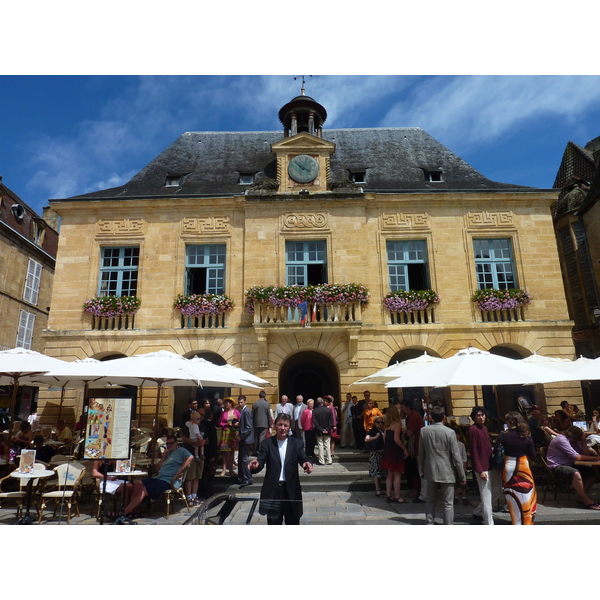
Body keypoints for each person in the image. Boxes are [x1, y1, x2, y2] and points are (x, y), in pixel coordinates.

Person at [248, 413, 313, 525]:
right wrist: (256, 464)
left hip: (291, 491)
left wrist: (307, 463)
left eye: (285, 425)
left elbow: (303, 457)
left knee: (293, 523)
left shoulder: (296, 443)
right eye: (280, 425)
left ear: (289, 427)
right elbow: (261, 460)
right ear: (274, 426)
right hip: (274, 491)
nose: (282, 428)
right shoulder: (267, 443)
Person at [122, 435, 193, 519]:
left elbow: (190, 457)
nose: (169, 445)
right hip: (159, 477)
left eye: (171, 443)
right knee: (138, 483)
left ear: (176, 443)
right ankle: (133, 510)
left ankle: (124, 512)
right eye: (167, 444)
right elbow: (157, 469)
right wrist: (163, 457)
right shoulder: (167, 453)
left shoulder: (181, 450)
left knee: (143, 490)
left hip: (169, 480)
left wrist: (181, 469)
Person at [418, 406, 466, 525]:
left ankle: (430, 522)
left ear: (431, 417)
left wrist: (422, 469)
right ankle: (448, 524)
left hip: (430, 469)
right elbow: (456, 456)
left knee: (430, 499)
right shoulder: (450, 432)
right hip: (447, 470)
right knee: (448, 502)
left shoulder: (424, 431)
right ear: (444, 417)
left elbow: (421, 453)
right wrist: (462, 475)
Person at [546, 425, 600, 509]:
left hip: (569, 464)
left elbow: (585, 455)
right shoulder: (561, 440)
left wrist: (584, 441)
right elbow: (577, 457)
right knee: (575, 473)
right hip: (556, 466)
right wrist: (597, 458)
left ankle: (581, 498)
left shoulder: (574, 441)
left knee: (592, 473)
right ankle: (586, 500)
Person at [501, 411, 538, 525]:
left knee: (512, 496)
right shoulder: (526, 435)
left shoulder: (504, 435)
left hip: (508, 466)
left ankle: (515, 521)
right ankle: (527, 522)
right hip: (523, 466)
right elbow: (533, 455)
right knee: (526, 494)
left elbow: (497, 450)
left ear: (511, 422)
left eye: (507, 420)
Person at [467, 406, 497, 525]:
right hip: (482, 467)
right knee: (486, 496)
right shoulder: (473, 430)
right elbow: (473, 451)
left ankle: (478, 511)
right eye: (478, 415)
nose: (481, 417)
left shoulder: (484, 428)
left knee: (497, 490)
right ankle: (489, 523)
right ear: (474, 417)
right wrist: (480, 470)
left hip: (490, 464)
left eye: (482, 415)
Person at [380, 404, 408, 503]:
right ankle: (397, 496)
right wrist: (404, 448)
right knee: (397, 475)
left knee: (389, 474)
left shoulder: (387, 426)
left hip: (388, 451)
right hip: (395, 451)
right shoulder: (396, 424)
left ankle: (388, 495)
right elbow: (396, 439)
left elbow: (384, 438)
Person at [400, 398, 425, 502]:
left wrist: (403, 431)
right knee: (415, 470)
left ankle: (423, 494)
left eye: (402, 407)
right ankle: (418, 491)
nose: (401, 409)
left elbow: (409, 433)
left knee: (420, 471)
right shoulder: (410, 416)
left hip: (417, 447)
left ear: (407, 407)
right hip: (414, 447)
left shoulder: (413, 416)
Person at [183, 411, 206, 506]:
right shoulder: (188, 426)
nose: (199, 420)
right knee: (190, 477)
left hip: (200, 456)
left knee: (197, 476)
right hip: (190, 454)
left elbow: (206, 439)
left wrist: (203, 442)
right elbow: (184, 438)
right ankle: (188, 497)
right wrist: (196, 443)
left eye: (200, 418)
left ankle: (194, 496)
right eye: (197, 418)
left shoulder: (202, 427)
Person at [365, 415, 387, 496]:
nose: (380, 424)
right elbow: (366, 439)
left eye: (382, 422)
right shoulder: (373, 431)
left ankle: (379, 489)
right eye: (378, 422)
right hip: (375, 454)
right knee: (376, 472)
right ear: (375, 423)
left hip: (381, 453)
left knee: (380, 472)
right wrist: (375, 437)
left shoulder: (382, 430)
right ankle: (377, 489)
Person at [218, 397, 240, 477]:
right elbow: (220, 422)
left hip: (234, 433)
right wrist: (225, 424)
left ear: (231, 404)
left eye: (227, 403)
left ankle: (231, 469)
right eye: (225, 403)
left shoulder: (236, 412)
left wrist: (237, 424)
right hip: (226, 432)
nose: (225, 405)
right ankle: (224, 469)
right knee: (225, 452)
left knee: (232, 452)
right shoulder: (223, 413)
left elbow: (240, 420)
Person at [237, 395, 254, 488]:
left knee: (244, 459)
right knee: (241, 459)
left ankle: (248, 478)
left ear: (245, 402)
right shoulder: (243, 411)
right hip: (244, 439)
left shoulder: (246, 411)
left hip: (245, 439)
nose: (240, 404)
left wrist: (241, 436)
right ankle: (241, 477)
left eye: (241, 402)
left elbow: (248, 427)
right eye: (239, 402)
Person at [312, 397, 333, 465]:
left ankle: (321, 460)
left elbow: (315, 422)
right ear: (322, 402)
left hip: (319, 431)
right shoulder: (328, 410)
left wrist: (321, 429)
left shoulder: (314, 411)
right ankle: (329, 460)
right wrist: (327, 429)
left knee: (320, 445)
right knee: (327, 445)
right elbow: (331, 421)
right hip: (327, 430)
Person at [252, 390, 272, 455]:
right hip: (264, 423)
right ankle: (260, 450)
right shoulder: (267, 404)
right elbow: (268, 415)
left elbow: (252, 414)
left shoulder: (255, 403)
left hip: (256, 423)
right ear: (265, 396)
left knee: (256, 437)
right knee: (262, 437)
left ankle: (255, 450)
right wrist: (270, 424)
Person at [454, 431, 468, 505]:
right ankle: (455, 496)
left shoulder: (461, 445)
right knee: (454, 482)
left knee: (463, 481)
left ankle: (464, 497)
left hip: (461, 464)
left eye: (458, 434)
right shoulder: (450, 444)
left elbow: (464, 456)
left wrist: (464, 467)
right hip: (453, 465)